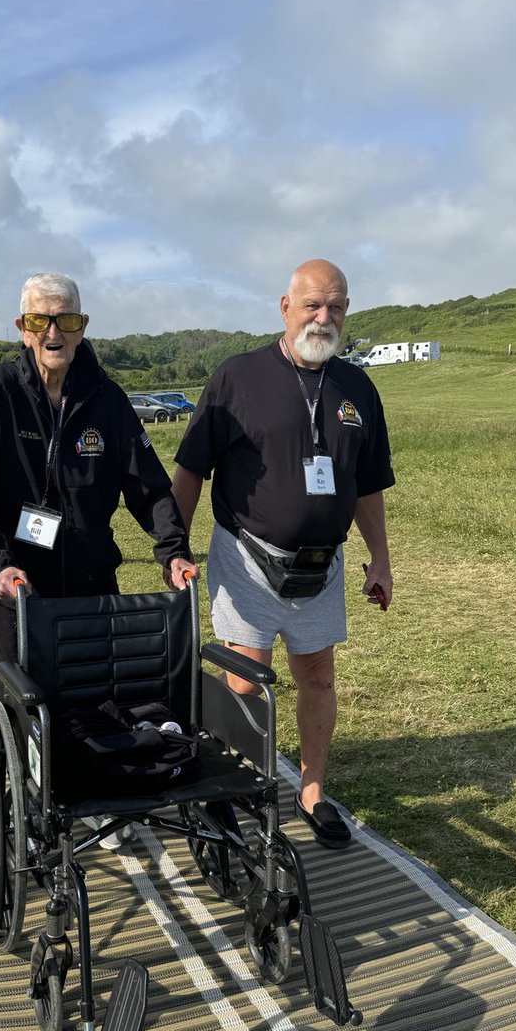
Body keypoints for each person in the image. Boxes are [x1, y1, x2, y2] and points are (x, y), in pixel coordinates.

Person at [171, 258, 395, 849]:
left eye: (337, 306)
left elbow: (368, 482)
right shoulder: (237, 377)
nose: (325, 318)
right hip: (247, 556)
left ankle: (313, 790)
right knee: (246, 676)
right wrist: (174, 545)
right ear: (285, 307)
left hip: (323, 567)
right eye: (313, 305)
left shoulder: (358, 387)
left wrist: (381, 558)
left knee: (318, 675)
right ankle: (228, 786)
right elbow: (191, 468)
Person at [0, 271, 196, 697]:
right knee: (25, 705)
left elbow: (150, 488)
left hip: (91, 581)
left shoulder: (108, 398)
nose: (52, 332)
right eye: (38, 321)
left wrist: (173, 551)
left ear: (82, 327)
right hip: (17, 584)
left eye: (65, 321)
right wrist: (0, 564)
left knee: (96, 697)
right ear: (22, 329)